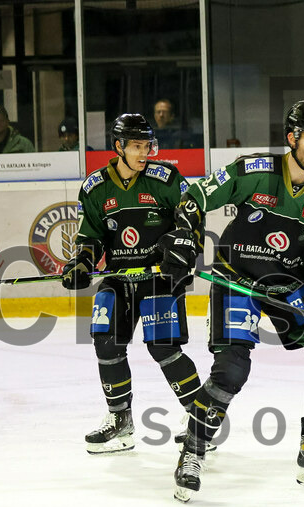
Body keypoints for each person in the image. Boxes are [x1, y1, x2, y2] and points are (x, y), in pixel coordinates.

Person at [161, 101, 304, 502]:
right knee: (231, 370)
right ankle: (193, 451)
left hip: (286, 283)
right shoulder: (255, 172)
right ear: (292, 138)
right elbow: (195, 195)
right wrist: (184, 238)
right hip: (237, 281)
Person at [61, 113, 201, 454]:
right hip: (119, 277)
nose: (144, 153)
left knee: (162, 347)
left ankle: (201, 417)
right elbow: (90, 238)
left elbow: (191, 216)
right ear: (118, 146)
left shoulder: (166, 178)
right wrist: (80, 263)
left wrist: (182, 247)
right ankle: (120, 421)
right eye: (136, 146)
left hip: (158, 275)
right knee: (105, 341)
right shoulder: (95, 188)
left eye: (147, 145)